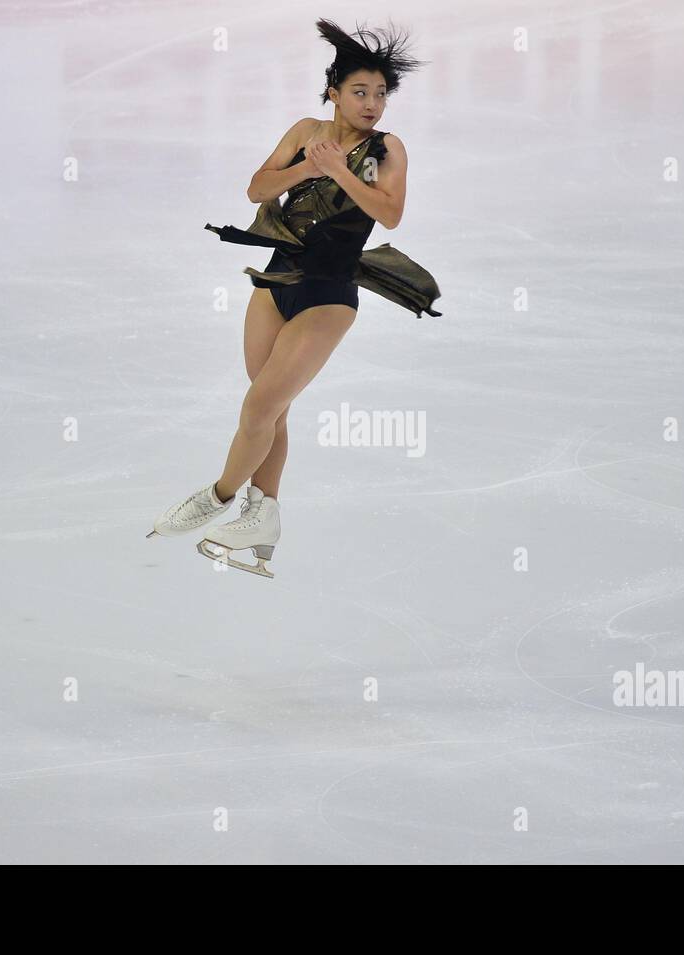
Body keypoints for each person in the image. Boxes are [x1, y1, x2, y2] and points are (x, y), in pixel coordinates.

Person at [147, 18, 442, 578]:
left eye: (380, 93)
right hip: (276, 282)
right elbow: (257, 188)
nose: (373, 103)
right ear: (333, 92)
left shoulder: (385, 149)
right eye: (360, 91)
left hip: (329, 295)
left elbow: (391, 213)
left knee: (259, 408)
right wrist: (311, 163)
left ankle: (217, 497)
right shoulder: (306, 129)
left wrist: (340, 171)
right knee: (270, 405)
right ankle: (264, 516)